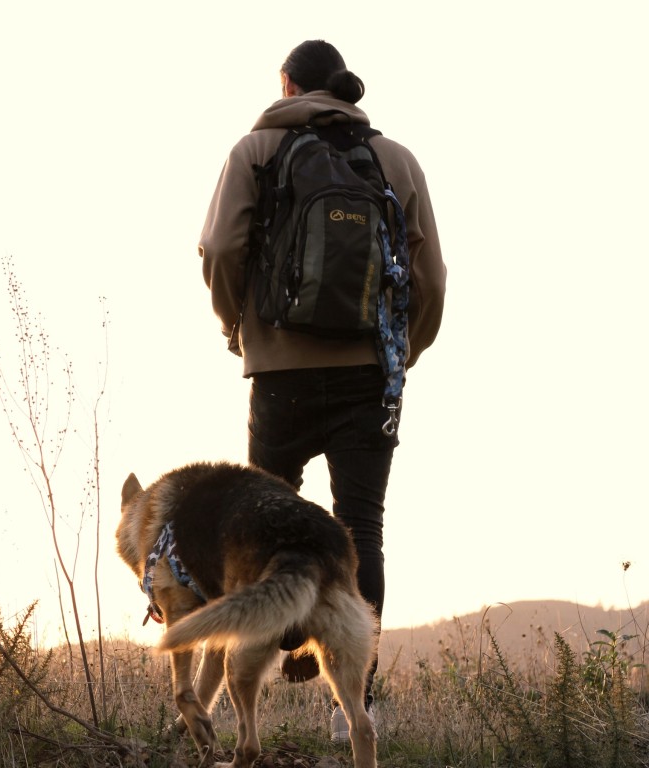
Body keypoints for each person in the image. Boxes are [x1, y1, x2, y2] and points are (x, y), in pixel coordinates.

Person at [198, 40, 446, 739]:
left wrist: (237, 330)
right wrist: (405, 350)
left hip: (279, 369)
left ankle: (284, 634)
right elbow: (433, 280)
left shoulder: (256, 150)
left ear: (287, 84)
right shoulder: (396, 159)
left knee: (262, 522)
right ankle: (352, 706)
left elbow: (219, 250)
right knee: (360, 525)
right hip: (371, 372)